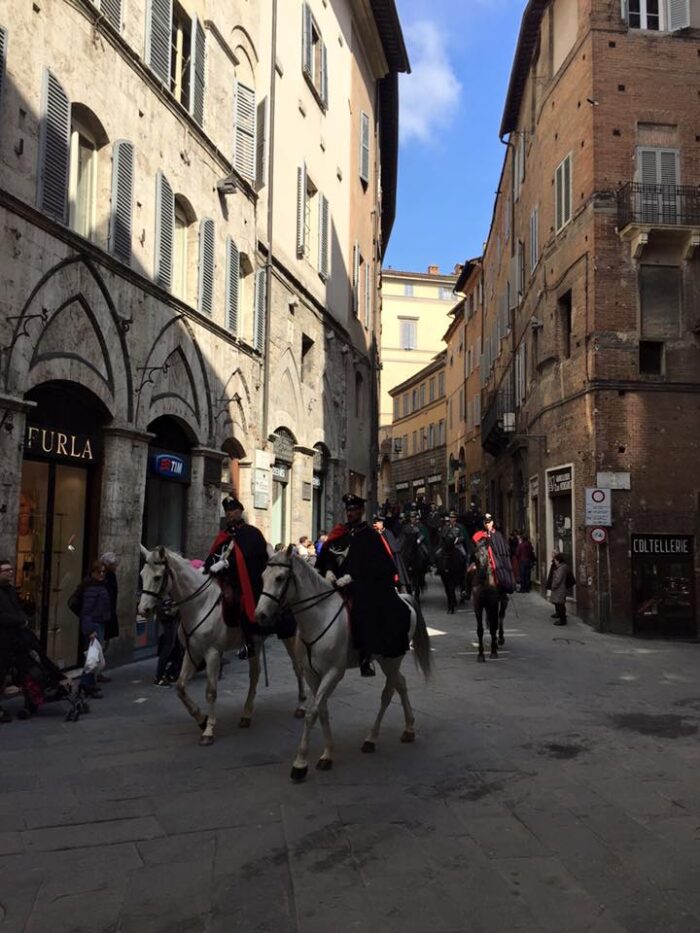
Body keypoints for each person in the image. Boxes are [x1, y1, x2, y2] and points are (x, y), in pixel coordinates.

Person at [316, 494, 410, 677]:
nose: (350, 513)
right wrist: (328, 570)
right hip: (335, 585)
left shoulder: (370, 536)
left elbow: (381, 566)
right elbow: (328, 556)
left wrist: (354, 577)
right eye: (348, 510)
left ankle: (366, 655)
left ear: (361, 511)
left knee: (363, 610)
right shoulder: (339, 533)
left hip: (361, 587)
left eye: (353, 510)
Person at [204, 496, 268, 657]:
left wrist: (226, 564)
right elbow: (215, 554)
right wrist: (205, 568)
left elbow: (247, 555)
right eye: (227, 511)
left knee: (238, 600)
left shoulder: (251, 533)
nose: (230, 514)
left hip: (243, 580)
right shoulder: (224, 535)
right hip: (222, 578)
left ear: (240, 512)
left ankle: (248, 642)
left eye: (233, 511)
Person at [0, 558, 26, 723]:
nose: (10, 572)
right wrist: (19, 619)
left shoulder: (9, 590)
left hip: (11, 639)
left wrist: (22, 617)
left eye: (11, 569)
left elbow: (17, 608)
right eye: (6, 570)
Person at [483, 514, 515, 627]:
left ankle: (503, 591)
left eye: (489, 522)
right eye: (485, 522)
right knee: (472, 571)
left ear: (492, 523)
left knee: (500, 571)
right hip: (485, 560)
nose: (487, 524)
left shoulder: (498, 535)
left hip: (497, 560)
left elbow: (503, 549)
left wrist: (495, 554)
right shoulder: (482, 535)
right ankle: (468, 591)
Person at [372, 513, 409, 591]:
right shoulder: (372, 533)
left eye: (379, 522)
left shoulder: (388, 533)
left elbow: (394, 550)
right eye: (376, 522)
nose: (377, 524)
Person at [79, 561, 112, 648]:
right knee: (94, 654)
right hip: (94, 624)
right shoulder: (91, 587)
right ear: (93, 572)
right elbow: (86, 611)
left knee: (97, 653)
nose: (101, 574)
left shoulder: (101, 585)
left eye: (103, 572)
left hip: (100, 623)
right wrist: (90, 631)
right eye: (99, 572)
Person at [548, 552, 571, 625]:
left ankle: (562, 620)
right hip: (560, 589)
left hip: (559, 589)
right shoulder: (564, 567)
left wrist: (553, 586)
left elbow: (558, 579)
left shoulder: (561, 568)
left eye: (555, 560)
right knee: (559, 603)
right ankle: (560, 617)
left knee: (560, 604)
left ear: (558, 560)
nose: (554, 561)